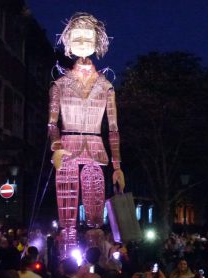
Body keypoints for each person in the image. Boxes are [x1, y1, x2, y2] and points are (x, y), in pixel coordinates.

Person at [48, 12, 125, 256]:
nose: (82, 42)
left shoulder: (106, 86)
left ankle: (97, 259)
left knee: (94, 214)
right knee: (67, 216)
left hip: (95, 149)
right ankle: (66, 258)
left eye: (87, 37)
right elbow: (52, 123)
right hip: (68, 148)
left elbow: (113, 128)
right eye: (77, 37)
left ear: (97, 42)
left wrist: (117, 165)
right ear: (68, 41)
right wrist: (57, 146)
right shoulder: (59, 85)